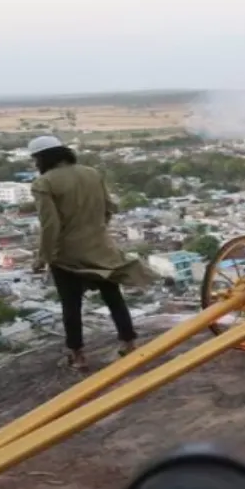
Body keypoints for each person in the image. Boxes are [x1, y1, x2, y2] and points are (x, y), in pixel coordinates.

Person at [27, 135, 155, 370]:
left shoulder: (44, 183)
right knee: (113, 296)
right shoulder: (91, 173)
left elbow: (50, 225)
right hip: (100, 248)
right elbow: (109, 208)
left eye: (35, 160)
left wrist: (42, 257)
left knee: (71, 305)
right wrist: (96, 231)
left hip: (67, 255)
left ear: (42, 158)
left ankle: (78, 355)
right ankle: (129, 342)